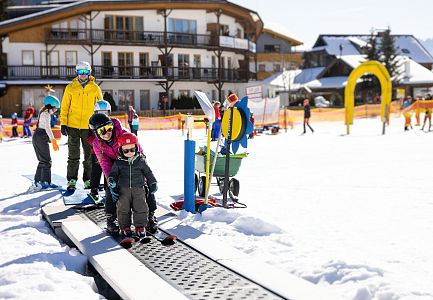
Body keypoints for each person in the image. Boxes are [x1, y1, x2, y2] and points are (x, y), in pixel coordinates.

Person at [89, 113, 159, 234]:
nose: (107, 133)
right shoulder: (97, 143)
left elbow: (139, 151)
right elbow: (105, 164)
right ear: (96, 132)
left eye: (109, 128)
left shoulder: (123, 133)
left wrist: (144, 176)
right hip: (114, 163)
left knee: (144, 186)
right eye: (102, 131)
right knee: (110, 188)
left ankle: (150, 216)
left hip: (132, 159)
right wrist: (112, 182)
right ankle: (111, 219)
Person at [60, 61, 103, 190]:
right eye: (80, 72)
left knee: (89, 155)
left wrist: (98, 124)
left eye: (85, 72)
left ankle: (88, 180)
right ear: (77, 73)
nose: (83, 75)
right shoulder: (70, 87)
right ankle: (72, 179)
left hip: (89, 127)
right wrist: (63, 123)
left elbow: (100, 107)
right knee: (73, 155)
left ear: (89, 73)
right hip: (72, 126)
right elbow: (65, 107)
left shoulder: (95, 88)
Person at [108, 132, 157, 239]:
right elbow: (113, 174)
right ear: (121, 150)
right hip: (123, 190)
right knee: (123, 209)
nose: (129, 152)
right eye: (126, 150)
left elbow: (148, 173)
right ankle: (125, 227)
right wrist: (112, 180)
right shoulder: (118, 163)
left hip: (138, 189)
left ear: (136, 148)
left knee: (141, 208)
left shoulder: (141, 161)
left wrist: (152, 182)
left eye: (132, 150)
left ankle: (140, 227)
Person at [30, 95, 60, 189]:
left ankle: (38, 181)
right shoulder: (45, 114)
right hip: (41, 136)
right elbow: (47, 128)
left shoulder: (43, 112)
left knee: (43, 160)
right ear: (50, 106)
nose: (55, 111)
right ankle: (45, 182)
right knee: (47, 161)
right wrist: (53, 140)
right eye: (54, 109)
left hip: (38, 136)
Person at [88, 100, 112, 203]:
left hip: (108, 152)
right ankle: (94, 189)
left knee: (109, 171)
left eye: (105, 112)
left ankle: (108, 191)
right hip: (96, 152)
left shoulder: (109, 122)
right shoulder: (93, 122)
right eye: (100, 112)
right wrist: (96, 142)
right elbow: (88, 137)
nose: (103, 115)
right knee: (96, 171)